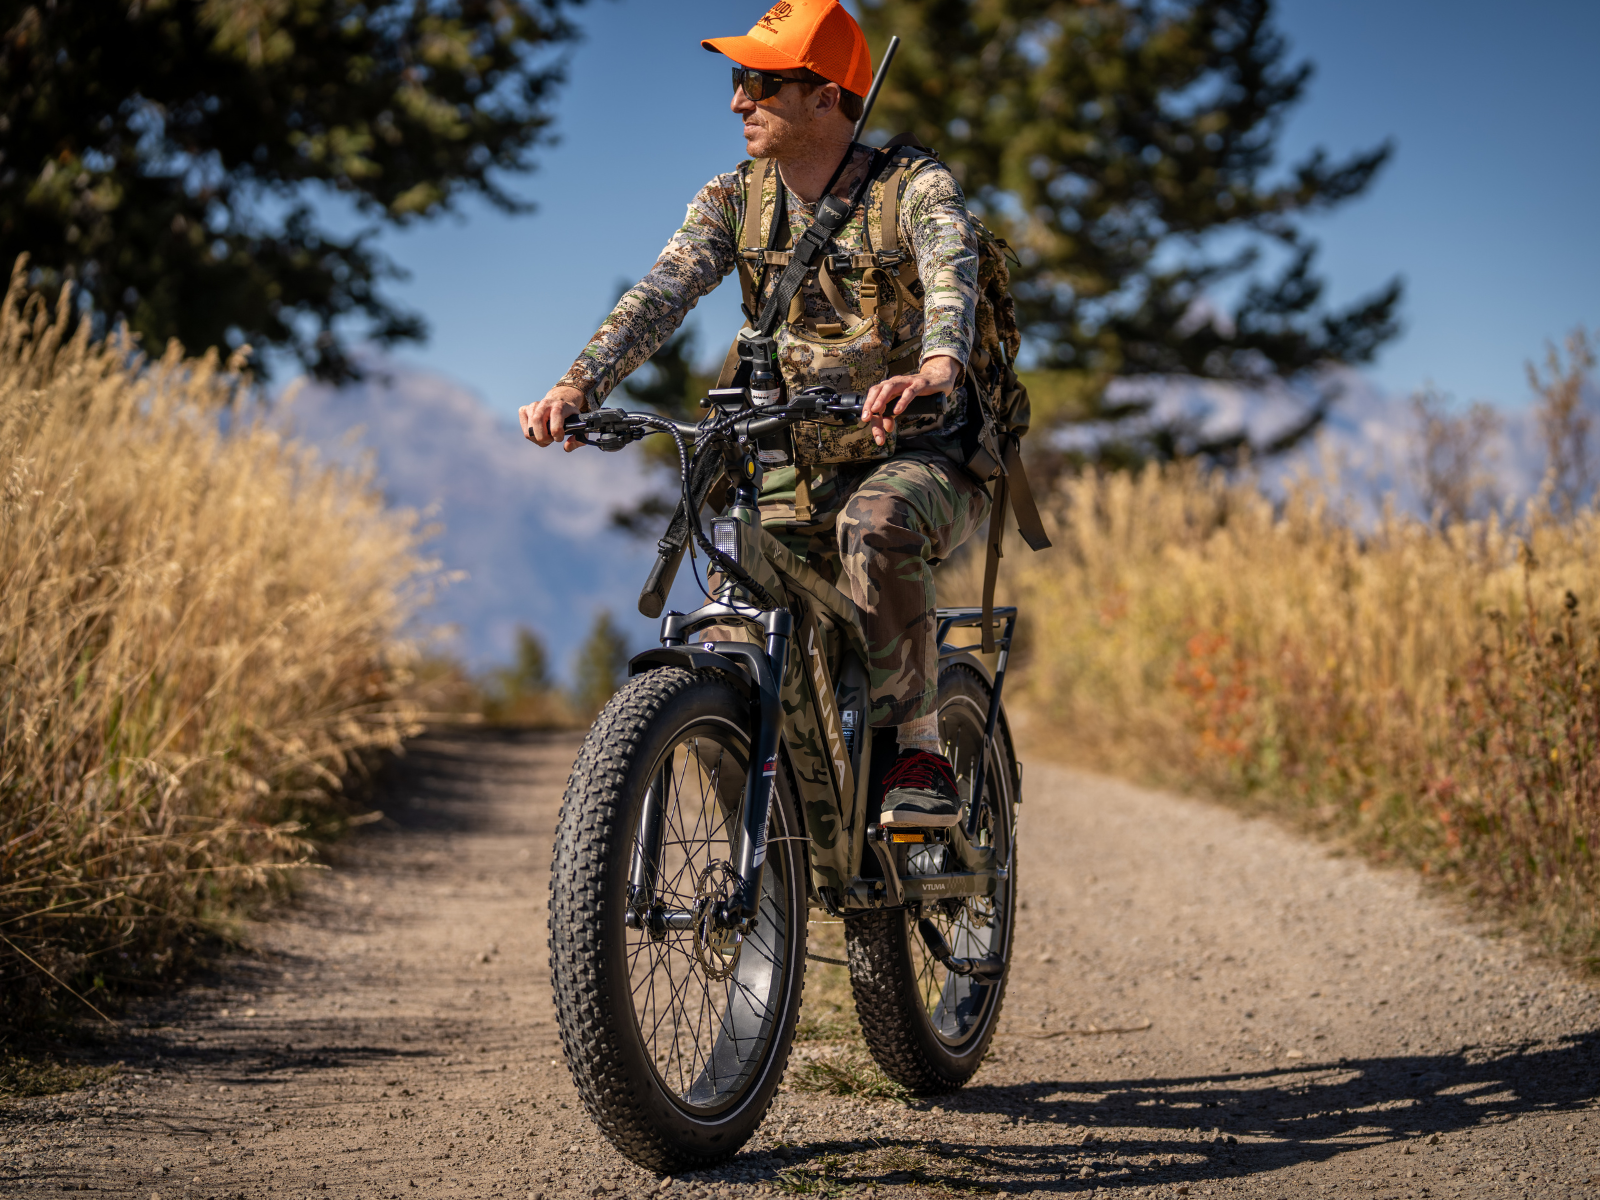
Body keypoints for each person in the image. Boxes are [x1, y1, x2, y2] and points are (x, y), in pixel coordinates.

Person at [519, 0, 988, 830]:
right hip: (792, 458)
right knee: (733, 581)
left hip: (919, 453)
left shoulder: (914, 189)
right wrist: (577, 386)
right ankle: (772, 836)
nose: (737, 101)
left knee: (875, 526)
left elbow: (952, 272)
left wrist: (938, 367)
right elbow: (660, 295)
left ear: (828, 97)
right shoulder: (735, 200)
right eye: (739, 79)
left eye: (762, 83)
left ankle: (915, 750)